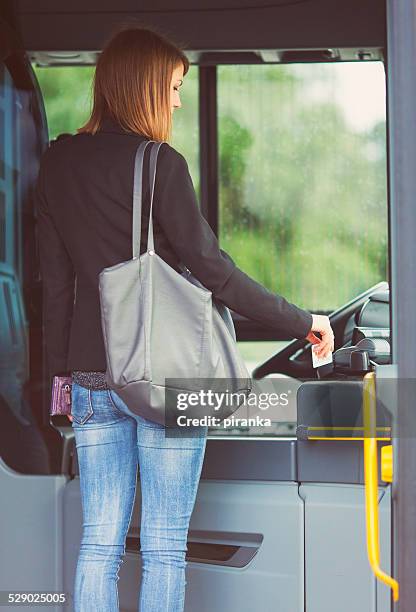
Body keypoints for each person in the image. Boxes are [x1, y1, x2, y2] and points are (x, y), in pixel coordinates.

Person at [34, 25, 334, 612]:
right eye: (172, 87)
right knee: (166, 546)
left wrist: (59, 381)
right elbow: (212, 270)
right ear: (143, 87)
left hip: (91, 378)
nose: (176, 100)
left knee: (99, 541)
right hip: (165, 378)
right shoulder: (159, 164)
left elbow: (55, 286)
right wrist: (302, 321)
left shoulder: (58, 163)